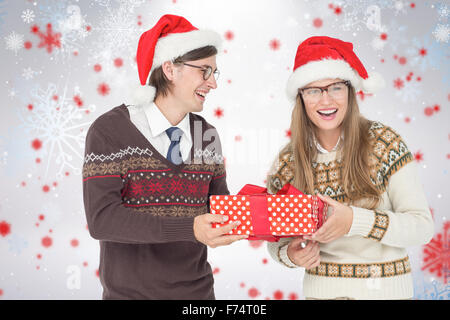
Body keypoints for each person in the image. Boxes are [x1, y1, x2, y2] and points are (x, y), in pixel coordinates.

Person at [82, 14, 247, 300]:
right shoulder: (109, 131)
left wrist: (268, 213)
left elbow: (219, 209)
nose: (213, 84)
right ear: (170, 69)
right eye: (204, 71)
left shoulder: (207, 135)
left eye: (214, 73)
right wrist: (190, 228)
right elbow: (102, 220)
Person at [266, 36, 434, 300]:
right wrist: (291, 255)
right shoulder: (288, 161)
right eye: (313, 90)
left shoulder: (383, 144)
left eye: (335, 87)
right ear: (300, 98)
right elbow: (276, 240)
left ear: (350, 91)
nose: (325, 100)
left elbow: (421, 227)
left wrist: (355, 221)